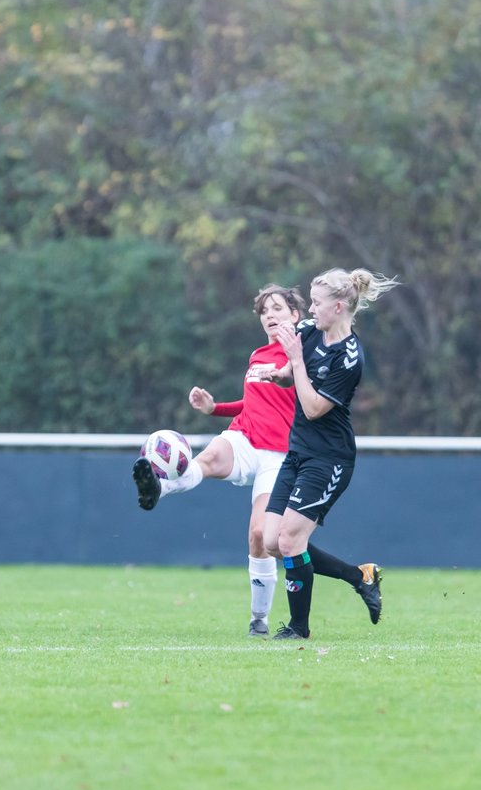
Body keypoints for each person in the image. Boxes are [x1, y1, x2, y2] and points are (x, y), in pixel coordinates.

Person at [132, 284, 383, 637]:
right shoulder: (259, 354)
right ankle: (161, 485)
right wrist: (214, 409)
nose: (269, 316)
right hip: (246, 438)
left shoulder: (306, 344)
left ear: (295, 315)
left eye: (277, 308)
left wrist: (293, 362)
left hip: (283, 453)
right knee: (209, 458)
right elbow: (255, 402)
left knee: (266, 539)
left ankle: (269, 617)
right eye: (264, 311)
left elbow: (312, 402)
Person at [259, 267, 400, 640]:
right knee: (272, 542)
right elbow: (294, 376)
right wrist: (282, 373)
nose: (310, 309)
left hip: (329, 459)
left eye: (317, 303)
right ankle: (360, 575)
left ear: (338, 307)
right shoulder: (309, 332)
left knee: (290, 542)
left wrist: (297, 363)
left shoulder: (349, 357)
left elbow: (313, 408)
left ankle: (298, 629)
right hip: (297, 452)